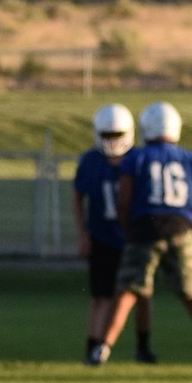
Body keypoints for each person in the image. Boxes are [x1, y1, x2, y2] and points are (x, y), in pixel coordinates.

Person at [89, 101, 192, 368]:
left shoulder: (136, 157)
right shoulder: (188, 158)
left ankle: (101, 350)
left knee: (127, 292)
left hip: (145, 228)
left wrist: (129, 230)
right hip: (182, 230)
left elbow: (124, 200)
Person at [73, 103, 157, 364]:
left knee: (142, 296)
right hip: (102, 236)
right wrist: (84, 234)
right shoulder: (90, 161)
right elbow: (78, 197)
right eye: (107, 136)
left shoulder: (138, 159)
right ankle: (93, 348)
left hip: (134, 238)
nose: (111, 142)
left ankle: (143, 346)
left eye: (116, 136)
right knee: (101, 296)